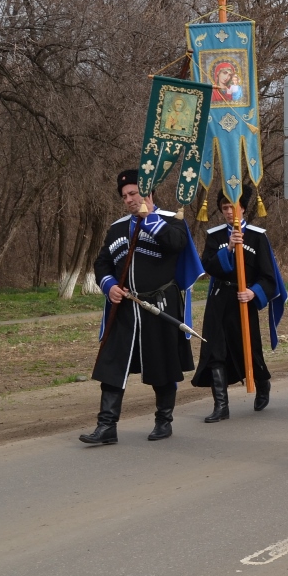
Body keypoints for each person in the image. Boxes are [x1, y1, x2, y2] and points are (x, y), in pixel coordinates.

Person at [82, 170, 204, 446]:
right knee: (113, 365)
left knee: (161, 364)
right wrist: (109, 284)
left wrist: (147, 218)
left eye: (133, 193)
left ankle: (164, 420)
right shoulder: (117, 227)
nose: (128, 200)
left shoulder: (172, 221)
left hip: (159, 305)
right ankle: (106, 426)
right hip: (124, 308)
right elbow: (102, 264)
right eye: (124, 196)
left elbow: (176, 245)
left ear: (148, 192)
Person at [192, 186, 286, 422]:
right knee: (215, 351)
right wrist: (230, 249)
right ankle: (221, 406)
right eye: (224, 208)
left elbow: (269, 278)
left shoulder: (257, 236)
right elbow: (208, 266)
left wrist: (254, 293)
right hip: (219, 301)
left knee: (250, 350)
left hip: (244, 303)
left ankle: (262, 383)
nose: (229, 212)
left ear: (243, 208)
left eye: (233, 207)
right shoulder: (214, 236)